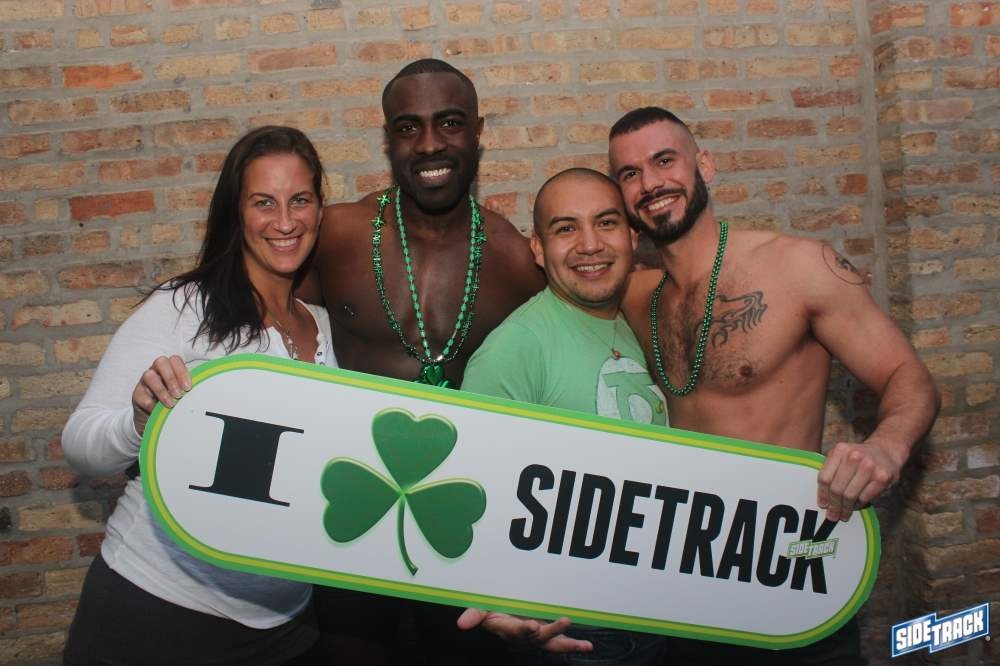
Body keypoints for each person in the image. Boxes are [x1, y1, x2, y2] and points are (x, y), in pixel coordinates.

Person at [608, 107, 940, 665]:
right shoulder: (637, 296)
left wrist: (887, 445)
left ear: (704, 165)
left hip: (789, 562)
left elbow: (910, 377)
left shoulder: (798, 267)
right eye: (630, 173)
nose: (651, 183)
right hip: (685, 576)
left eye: (665, 161)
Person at [61, 126, 335, 665]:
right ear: (236, 212)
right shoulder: (185, 306)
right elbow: (79, 443)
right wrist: (138, 423)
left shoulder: (323, 325)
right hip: (159, 612)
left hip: (287, 625)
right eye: (263, 202)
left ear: (320, 210)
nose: (285, 221)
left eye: (300, 200)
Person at [307, 58, 545, 664]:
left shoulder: (517, 259)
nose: (430, 143)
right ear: (388, 139)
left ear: (478, 132)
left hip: (462, 528)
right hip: (349, 520)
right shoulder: (337, 235)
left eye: (450, 123)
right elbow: (259, 321)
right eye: (408, 127)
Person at [459, 168, 670, 665]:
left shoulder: (641, 323)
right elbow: (466, 491)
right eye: (566, 228)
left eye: (606, 223)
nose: (590, 244)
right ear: (538, 248)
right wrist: (494, 607)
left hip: (660, 614)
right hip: (578, 637)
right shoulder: (515, 348)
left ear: (633, 237)